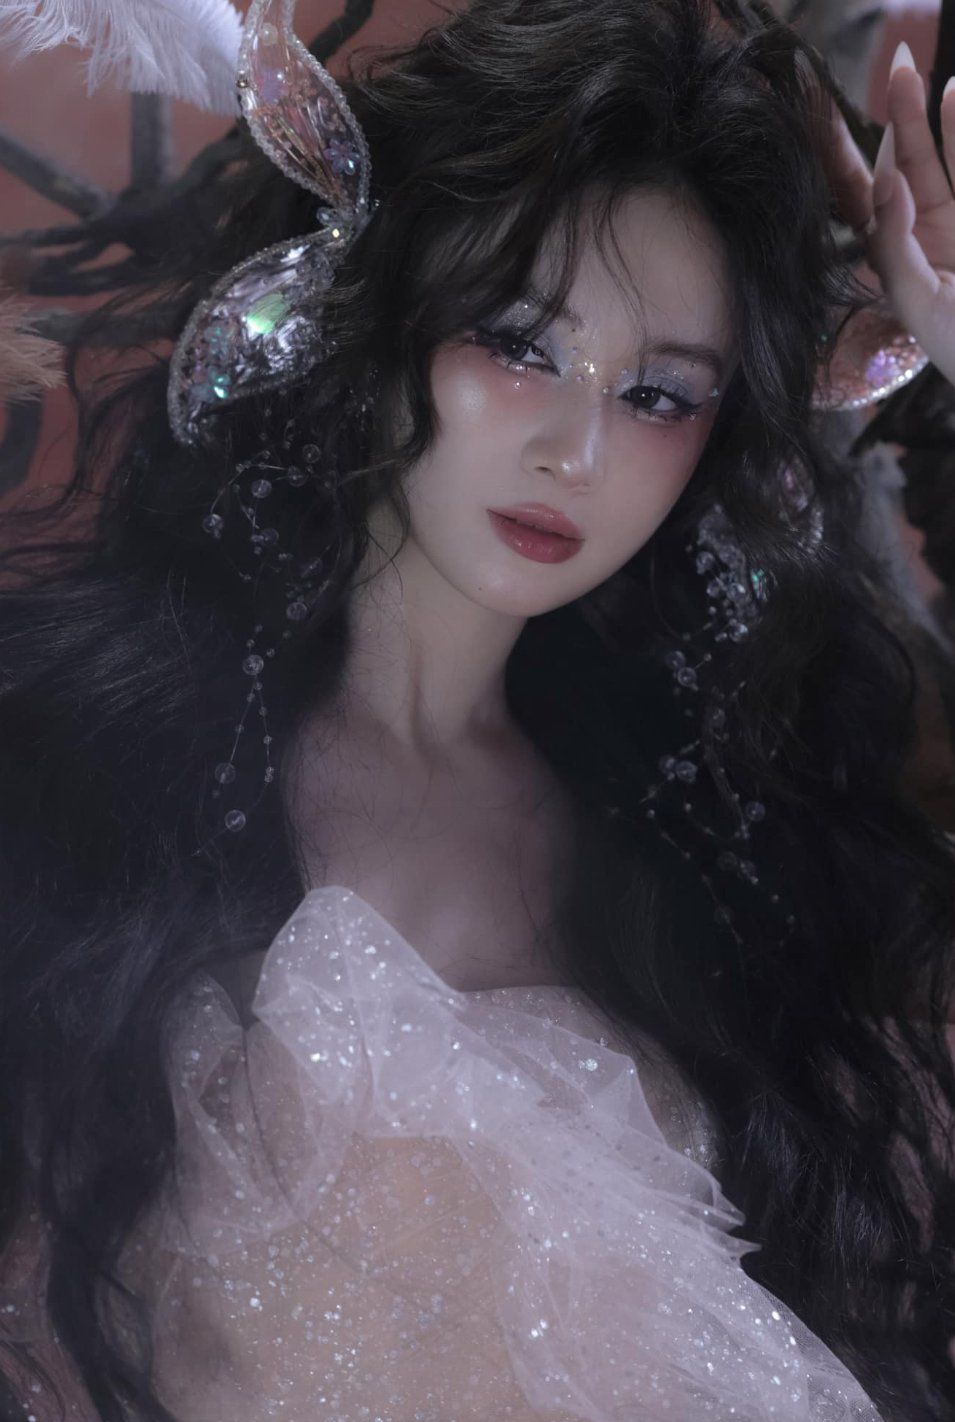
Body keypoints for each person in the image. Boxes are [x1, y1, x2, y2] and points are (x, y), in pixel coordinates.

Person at [1, 0, 955, 1416]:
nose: (577, 449)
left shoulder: (726, 843)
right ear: (373, 309)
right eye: (517, 342)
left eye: (658, 395)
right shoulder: (84, 768)